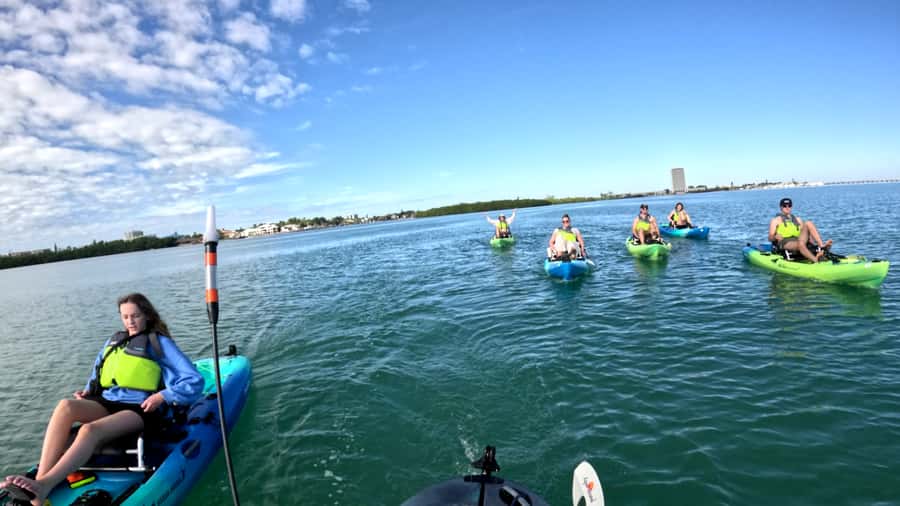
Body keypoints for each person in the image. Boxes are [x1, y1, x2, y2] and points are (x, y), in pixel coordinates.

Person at [1, 293, 204, 506]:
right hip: (108, 401)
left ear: (147, 315)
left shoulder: (159, 343)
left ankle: (44, 485)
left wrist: (163, 395)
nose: (130, 322)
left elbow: (194, 379)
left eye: (135, 316)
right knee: (65, 406)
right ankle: (39, 482)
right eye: (125, 317)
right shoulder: (115, 341)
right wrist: (87, 393)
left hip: (140, 408)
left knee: (89, 431)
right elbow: (97, 374)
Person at [768, 197, 833, 262]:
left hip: (799, 239)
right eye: (785, 206)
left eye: (789, 206)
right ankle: (815, 260)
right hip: (785, 242)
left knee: (808, 223)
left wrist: (812, 244)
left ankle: (822, 246)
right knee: (800, 244)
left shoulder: (798, 219)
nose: (787, 208)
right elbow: (770, 238)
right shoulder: (775, 220)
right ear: (781, 207)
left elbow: (805, 233)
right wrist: (775, 237)